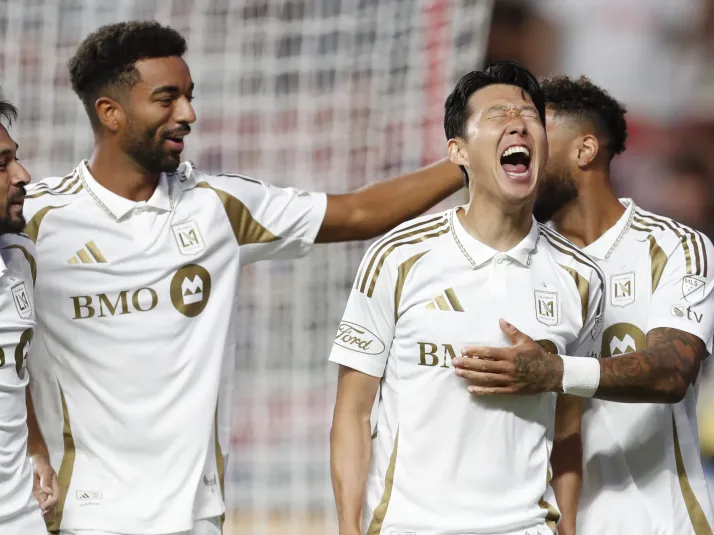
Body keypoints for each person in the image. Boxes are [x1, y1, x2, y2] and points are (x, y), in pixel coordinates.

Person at [21, 20, 468, 535]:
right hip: (80, 516)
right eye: (166, 99)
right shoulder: (34, 222)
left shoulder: (219, 207)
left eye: (189, 97)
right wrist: (32, 445)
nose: (187, 114)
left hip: (194, 519)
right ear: (110, 112)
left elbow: (360, 212)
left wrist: (468, 161)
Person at [328, 61, 604, 535]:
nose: (519, 124)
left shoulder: (581, 278)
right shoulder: (397, 258)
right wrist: (349, 530)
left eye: (530, 115)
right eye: (498, 114)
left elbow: (568, 427)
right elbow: (353, 413)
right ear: (458, 151)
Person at [452, 75, 714, 534]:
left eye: (537, 134)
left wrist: (556, 372)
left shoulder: (674, 248)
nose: (523, 149)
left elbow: (672, 371)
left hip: (659, 523)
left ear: (585, 150)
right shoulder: (512, 261)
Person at [0, 97, 59, 533]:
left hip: (22, 516)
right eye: (2, 165)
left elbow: (13, 375)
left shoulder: (20, 258)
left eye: (15, 158)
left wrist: (36, 448)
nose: (23, 175)